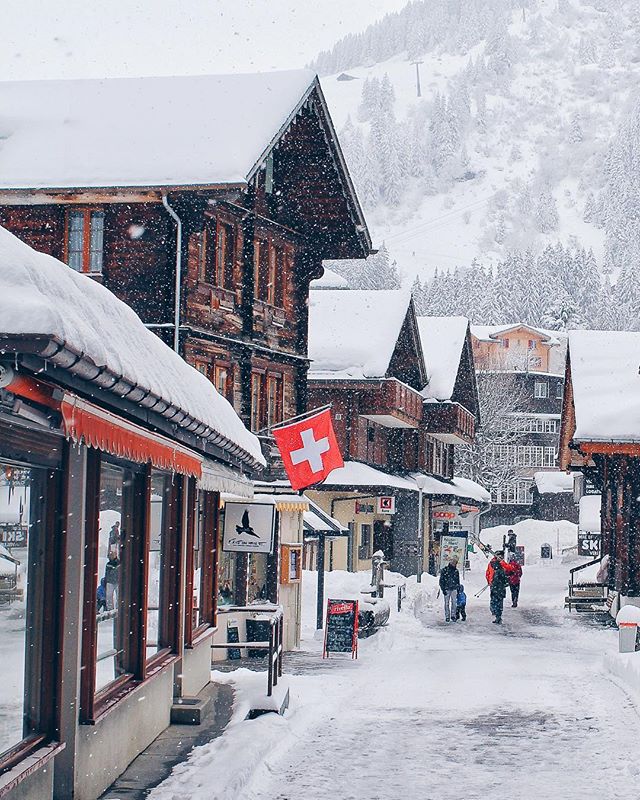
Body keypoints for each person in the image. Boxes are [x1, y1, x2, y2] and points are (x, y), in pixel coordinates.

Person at [486, 550, 508, 624]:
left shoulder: (494, 564)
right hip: (499, 587)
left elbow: (488, 574)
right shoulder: (502, 566)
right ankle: (497, 614)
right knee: (498, 601)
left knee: (495, 600)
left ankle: (495, 612)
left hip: (495, 586)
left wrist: (490, 582)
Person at [439, 555, 461, 623]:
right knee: (447, 603)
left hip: (453, 588)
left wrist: (458, 588)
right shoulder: (445, 570)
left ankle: (453, 615)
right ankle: (447, 616)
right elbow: (441, 581)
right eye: (454, 562)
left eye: (456, 562)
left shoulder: (456, 571)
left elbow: (458, 581)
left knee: (454, 603)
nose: (454, 563)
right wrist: (443, 589)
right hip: (447, 589)